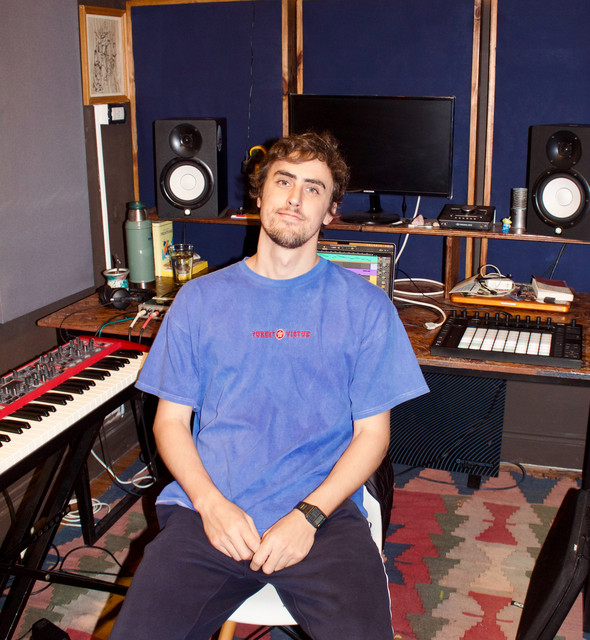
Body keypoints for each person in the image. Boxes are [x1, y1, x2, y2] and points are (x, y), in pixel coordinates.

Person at [110, 132, 429, 640]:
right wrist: (211, 506)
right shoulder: (199, 300)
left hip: (322, 516)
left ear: (330, 211)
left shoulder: (366, 307)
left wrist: (308, 517)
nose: (295, 198)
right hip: (208, 510)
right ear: (259, 193)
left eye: (313, 188)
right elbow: (170, 423)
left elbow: (374, 436)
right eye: (284, 181)